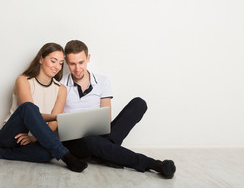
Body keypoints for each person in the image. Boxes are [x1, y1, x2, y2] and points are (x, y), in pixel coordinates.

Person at [60, 40, 176, 178]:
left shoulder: (102, 81)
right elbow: (58, 118)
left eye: (81, 62)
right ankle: (153, 164)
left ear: (88, 58)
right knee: (90, 140)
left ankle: (105, 154)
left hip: (100, 134)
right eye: (72, 64)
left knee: (139, 103)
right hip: (76, 143)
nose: (77, 68)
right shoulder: (60, 85)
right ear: (66, 61)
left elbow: (105, 118)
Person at [0, 43, 88, 172]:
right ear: (41, 59)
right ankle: (66, 156)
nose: (57, 67)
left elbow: (53, 125)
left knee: (48, 154)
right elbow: (29, 114)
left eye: (60, 63)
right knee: (29, 107)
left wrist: (33, 138)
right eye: (53, 61)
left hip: (36, 139)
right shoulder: (23, 80)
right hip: (12, 136)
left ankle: (1, 154)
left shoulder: (61, 89)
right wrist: (56, 117)